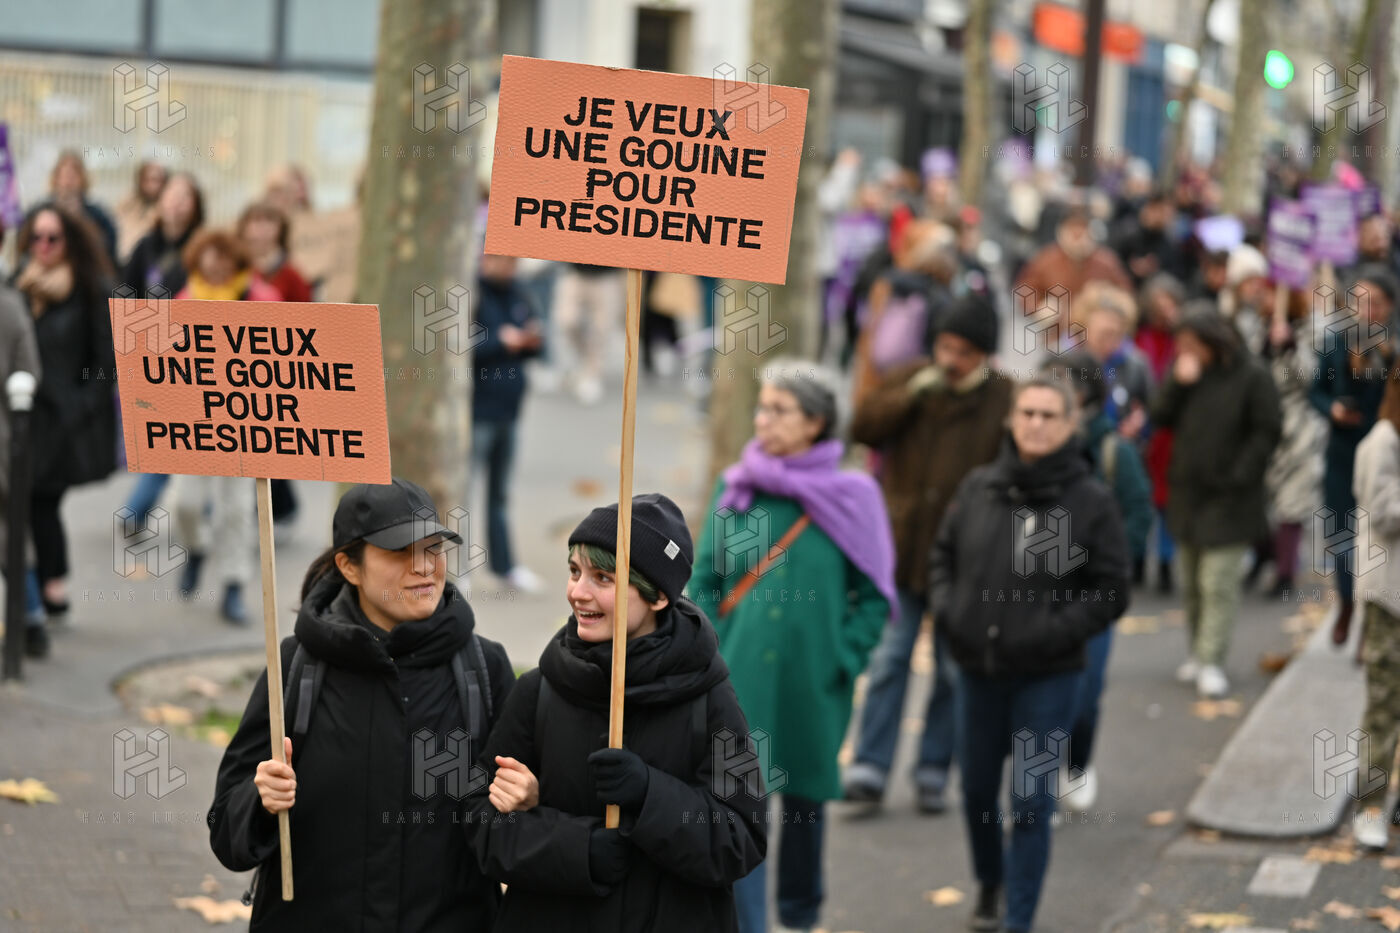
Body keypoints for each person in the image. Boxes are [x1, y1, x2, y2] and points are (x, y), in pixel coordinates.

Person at [209, 478, 519, 929]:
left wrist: (524, 800)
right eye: (400, 551)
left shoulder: (484, 668)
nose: (424, 567)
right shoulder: (294, 668)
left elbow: (516, 833)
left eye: (433, 548)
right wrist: (259, 802)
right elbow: (226, 830)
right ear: (349, 566)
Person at [465, 494, 767, 932]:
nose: (577, 592)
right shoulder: (540, 689)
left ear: (657, 595)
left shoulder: (709, 697)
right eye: (575, 571)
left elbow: (741, 839)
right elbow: (481, 822)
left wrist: (650, 795)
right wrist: (578, 850)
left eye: (603, 578)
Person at [691, 363, 896, 933]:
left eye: (779, 410)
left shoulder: (853, 495)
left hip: (814, 680)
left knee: (805, 802)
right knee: (739, 806)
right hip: (737, 679)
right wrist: (711, 651)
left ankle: (801, 917)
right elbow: (705, 579)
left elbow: (874, 595)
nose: (763, 420)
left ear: (816, 422)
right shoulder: (737, 486)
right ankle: (748, 923)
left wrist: (845, 657)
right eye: (762, 407)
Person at [930, 375, 1129, 932]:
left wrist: (1055, 632)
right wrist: (950, 612)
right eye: (1027, 413)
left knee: (1030, 800)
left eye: (1048, 415)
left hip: (1048, 677)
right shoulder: (979, 487)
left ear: (1070, 424)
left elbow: (1112, 589)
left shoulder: (1090, 501)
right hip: (978, 670)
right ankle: (990, 884)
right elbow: (943, 556)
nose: (1036, 424)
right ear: (1011, 419)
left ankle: (1019, 918)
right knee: (975, 790)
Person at [842, 294, 1014, 813]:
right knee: (890, 659)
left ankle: (934, 770)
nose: (950, 360)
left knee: (952, 669)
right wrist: (908, 397)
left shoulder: (1004, 398)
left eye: (963, 352)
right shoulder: (912, 379)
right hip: (903, 549)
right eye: (945, 347)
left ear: (983, 355)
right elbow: (862, 427)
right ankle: (870, 767)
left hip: (965, 561)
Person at [1153, 306, 1282, 698]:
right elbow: (1160, 415)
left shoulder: (1253, 375)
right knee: (1192, 582)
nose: (1184, 351)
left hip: (1231, 497)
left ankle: (1212, 659)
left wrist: (1239, 474)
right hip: (1189, 493)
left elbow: (1267, 430)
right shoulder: (1187, 373)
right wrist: (1177, 383)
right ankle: (1198, 651)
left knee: (1218, 582)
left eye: (1191, 343)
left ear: (1213, 340)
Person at [1043, 354, 1152, 812]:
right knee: (1037, 697)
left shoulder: (1112, 451)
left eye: (1061, 385)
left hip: (1090, 596)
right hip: (1036, 594)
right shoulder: (1028, 450)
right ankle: (1037, 794)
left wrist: (1106, 563)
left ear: (1084, 394)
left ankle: (1077, 763)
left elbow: (1139, 512)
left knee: (1084, 694)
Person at [11, 204, 116, 624]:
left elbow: (106, 363)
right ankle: (47, 588)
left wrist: (81, 403)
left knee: (40, 500)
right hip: (23, 416)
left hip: (64, 422)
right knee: (31, 502)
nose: (43, 246)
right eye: (36, 237)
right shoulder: (19, 285)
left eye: (53, 238)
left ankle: (46, 588)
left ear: (69, 241)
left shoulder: (90, 288)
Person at [171, 229, 282, 624]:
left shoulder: (262, 299)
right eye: (210, 259)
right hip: (196, 422)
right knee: (184, 504)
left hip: (247, 423)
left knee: (236, 511)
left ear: (236, 263)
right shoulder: (184, 301)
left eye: (224, 260)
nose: (217, 267)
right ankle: (197, 547)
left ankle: (234, 585)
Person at [1309, 266, 1398, 649]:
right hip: (1344, 453)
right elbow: (1316, 390)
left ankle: (1369, 620)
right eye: (1361, 302)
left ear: (1389, 306)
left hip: (1383, 456)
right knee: (1341, 536)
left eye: (1375, 303)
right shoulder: (1336, 342)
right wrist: (1332, 409)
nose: (1367, 310)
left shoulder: (1393, 348)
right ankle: (1347, 602)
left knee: (1377, 538)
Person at [118, 172, 207, 530]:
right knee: (168, 438)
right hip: (151, 357)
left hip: (193, 359)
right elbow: (124, 296)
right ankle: (146, 512)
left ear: (196, 206)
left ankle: (140, 511)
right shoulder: (145, 247)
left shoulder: (203, 247)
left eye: (186, 196)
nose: (176, 203)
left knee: (181, 440)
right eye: (172, 194)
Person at [471, 251, 545, 594]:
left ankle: (505, 566)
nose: (507, 267)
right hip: (477, 412)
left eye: (513, 261)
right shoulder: (471, 295)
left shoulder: (519, 294)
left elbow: (536, 347)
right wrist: (499, 341)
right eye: (500, 260)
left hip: (510, 411)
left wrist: (530, 340)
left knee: (499, 494)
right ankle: (454, 570)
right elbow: (456, 345)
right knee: (461, 494)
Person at [1350, 368, 1400, 848]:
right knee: (1384, 704)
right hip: (1389, 596)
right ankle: (1369, 806)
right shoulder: (1382, 442)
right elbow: (1383, 513)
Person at [1259, 291, 1326, 596]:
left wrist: (1290, 347)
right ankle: (1266, 553)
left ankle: (1285, 572)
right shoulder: (1258, 330)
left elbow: (1311, 378)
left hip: (1298, 430)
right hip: (1262, 426)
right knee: (1260, 501)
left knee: (1292, 503)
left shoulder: (1311, 331)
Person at [0, 280, 44, 656]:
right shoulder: (11, 305)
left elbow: (28, 374)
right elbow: (29, 371)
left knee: (10, 528)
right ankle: (31, 619)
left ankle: (30, 617)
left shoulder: (10, 306)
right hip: (4, 440)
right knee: (10, 529)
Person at [1014, 206, 1132, 333]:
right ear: (1062, 232)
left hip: (1094, 334)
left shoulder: (1107, 262)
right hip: (1057, 333)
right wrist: (1039, 309)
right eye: (1074, 232)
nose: (1079, 237)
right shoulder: (1046, 260)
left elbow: (1125, 294)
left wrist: (1107, 299)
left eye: (1083, 230)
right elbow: (1026, 288)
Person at [553, 262, 622, 404]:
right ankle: (584, 361)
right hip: (576, 272)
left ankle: (592, 373)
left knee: (601, 330)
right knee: (567, 321)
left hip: (605, 276)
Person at [47, 150, 118, 263]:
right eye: (64, 176)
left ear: (82, 179)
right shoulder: (42, 213)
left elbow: (109, 250)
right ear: (56, 179)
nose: (68, 182)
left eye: (73, 177)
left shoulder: (98, 215)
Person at [236, 201, 312, 303]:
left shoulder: (291, 275)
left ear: (281, 228)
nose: (262, 226)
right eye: (257, 220)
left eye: (269, 220)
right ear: (244, 227)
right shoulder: (233, 268)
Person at [114, 160, 167, 262]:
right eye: (147, 180)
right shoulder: (127, 203)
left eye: (155, 180)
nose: (151, 185)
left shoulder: (165, 209)